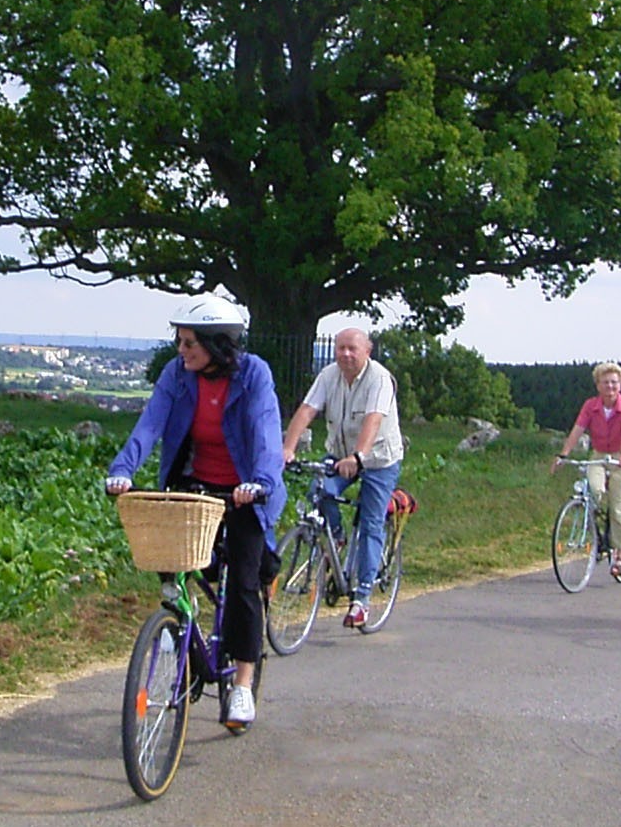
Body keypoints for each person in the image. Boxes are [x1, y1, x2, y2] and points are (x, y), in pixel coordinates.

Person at [105, 295, 286, 732]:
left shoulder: (254, 374)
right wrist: (123, 470)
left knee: (242, 582)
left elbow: (265, 431)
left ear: (218, 345)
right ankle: (176, 626)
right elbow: (150, 424)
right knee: (172, 560)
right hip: (194, 482)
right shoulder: (176, 375)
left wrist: (260, 482)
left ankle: (242, 682)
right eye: (180, 341)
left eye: (190, 343)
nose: (181, 351)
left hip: (246, 488)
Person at [282, 327, 404, 630]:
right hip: (339, 453)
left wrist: (359, 457)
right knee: (318, 491)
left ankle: (361, 599)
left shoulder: (380, 379)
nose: (346, 354)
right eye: (340, 348)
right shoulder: (329, 375)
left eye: (352, 348)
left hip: (377, 459)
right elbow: (307, 409)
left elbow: (373, 419)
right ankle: (336, 536)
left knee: (371, 521)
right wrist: (287, 448)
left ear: (367, 351)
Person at [551, 361, 621, 580]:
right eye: (605, 382)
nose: (610, 386)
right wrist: (564, 454)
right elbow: (578, 429)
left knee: (618, 505)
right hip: (599, 455)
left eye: (614, 382)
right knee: (595, 492)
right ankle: (596, 533)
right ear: (598, 385)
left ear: (620, 384)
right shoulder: (591, 406)